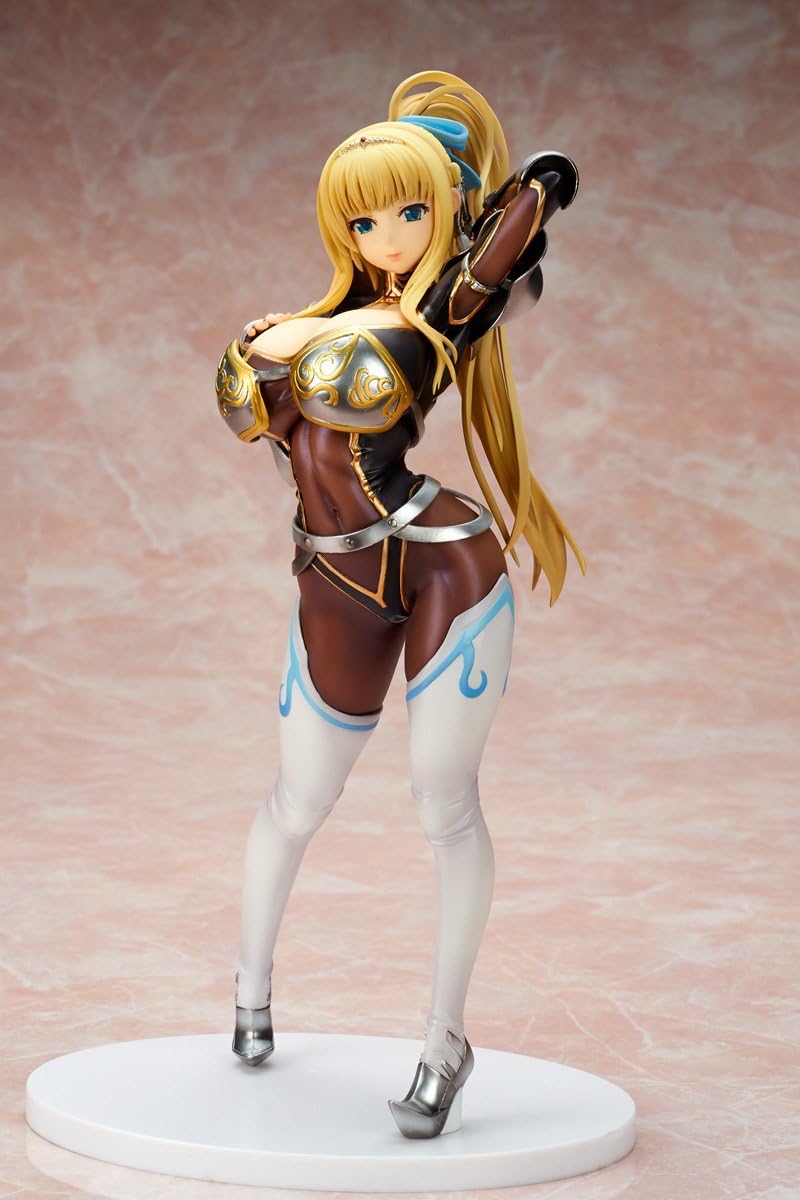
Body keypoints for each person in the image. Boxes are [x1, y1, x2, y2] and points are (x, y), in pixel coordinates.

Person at [215, 69, 585, 1139]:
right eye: (363, 217)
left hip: (436, 563)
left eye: (408, 212)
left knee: (442, 803)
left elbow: (507, 249)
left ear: (446, 214)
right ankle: (248, 993)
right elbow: (266, 394)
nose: (383, 235)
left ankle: (444, 1040)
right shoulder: (314, 315)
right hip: (332, 573)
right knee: (296, 798)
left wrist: (537, 191)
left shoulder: (440, 312)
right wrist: (282, 340)